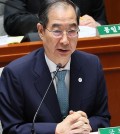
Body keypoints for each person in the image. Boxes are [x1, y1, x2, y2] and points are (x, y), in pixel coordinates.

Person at [0, 0, 110, 133]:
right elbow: (12, 129)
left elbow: (103, 118)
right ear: (41, 31)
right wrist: (56, 129)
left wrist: (86, 124)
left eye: (72, 31)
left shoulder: (92, 65)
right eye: (57, 31)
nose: (65, 40)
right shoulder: (16, 73)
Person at [4, 0, 108, 36]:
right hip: (36, 51)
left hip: (83, 51)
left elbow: (103, 22)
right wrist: (49, 20)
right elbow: (12, 22)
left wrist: (97, 26)